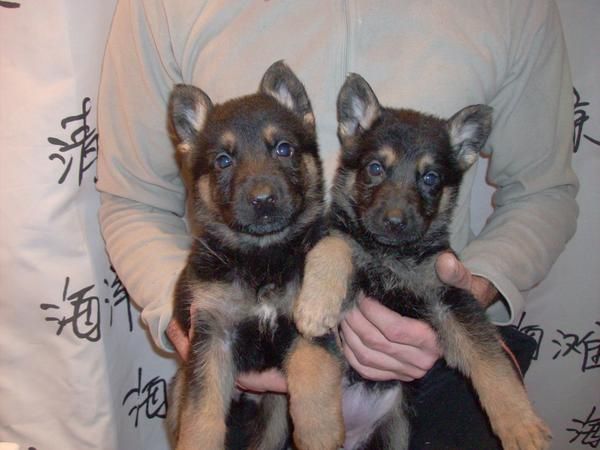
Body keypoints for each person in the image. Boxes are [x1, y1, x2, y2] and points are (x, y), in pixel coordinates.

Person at [96, 0, 578, 447]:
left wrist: (476, 285)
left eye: (282, 148)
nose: (260, 186)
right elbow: (132, 197)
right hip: (245, 387)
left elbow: (544, 193)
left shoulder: (518, 9)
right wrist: (195, 323)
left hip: (430, 375)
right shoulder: (162, 8)